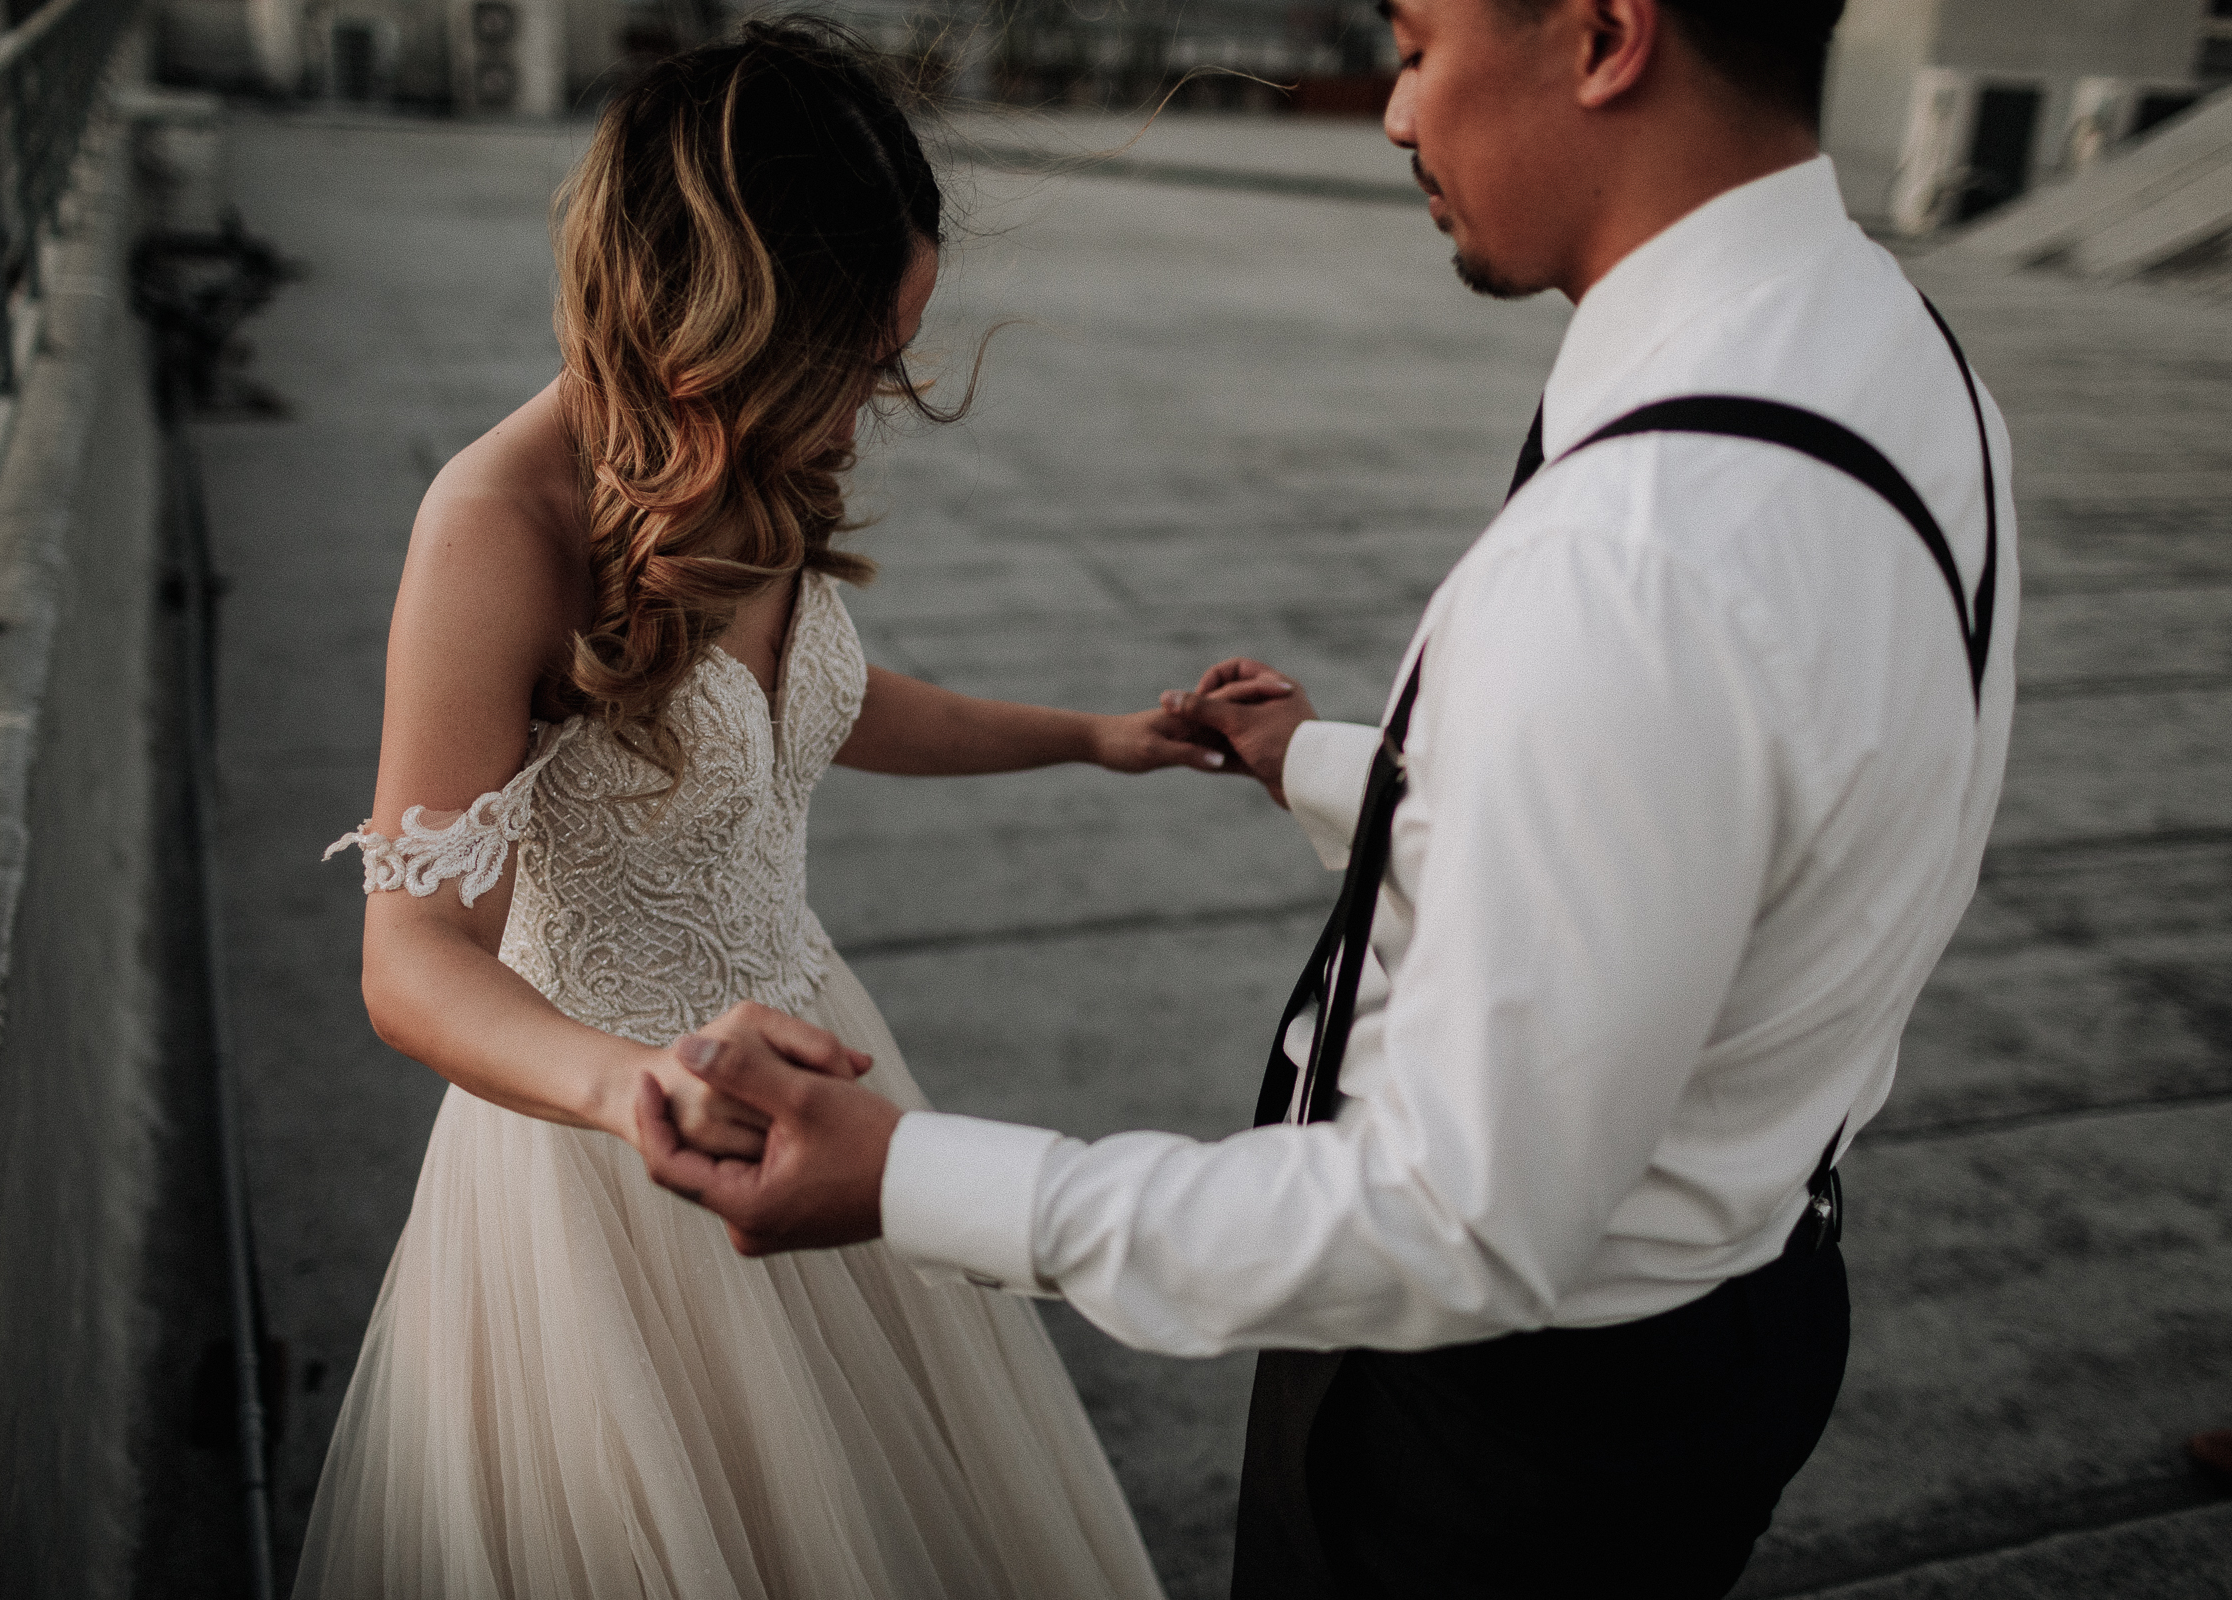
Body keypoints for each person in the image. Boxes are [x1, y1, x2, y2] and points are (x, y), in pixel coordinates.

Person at [635, 1, 2020, 1596]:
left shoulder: (1636, 553)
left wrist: (910, 1175)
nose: (1395, 111)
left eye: (1421, 41)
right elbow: (1703, 844)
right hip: (1738, 1308)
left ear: (1608, 35)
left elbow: (1452, 1217)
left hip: (1505, 1427)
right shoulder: (1898, 359)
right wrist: (1319, 760)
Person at [295, 22, 1202, 1598]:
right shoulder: (497, 522)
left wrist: (1100, 738)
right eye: (860, 349)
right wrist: (634, 1088)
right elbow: (413, 956)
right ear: (740, 319)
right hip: (606, 1161)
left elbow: (820, 703)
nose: (887, 391)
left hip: (815, 1068)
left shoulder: (748, 451)